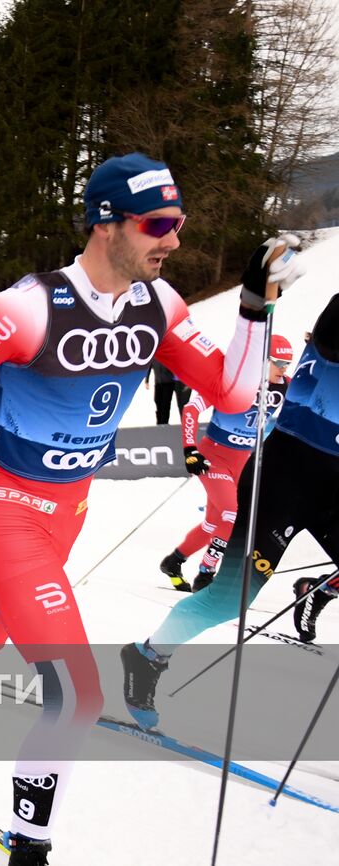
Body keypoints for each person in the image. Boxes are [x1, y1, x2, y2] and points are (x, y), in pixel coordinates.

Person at [0, 153, 290, 865]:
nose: (173, 239)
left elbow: (232, 392)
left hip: (68, 511)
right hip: (6, 506)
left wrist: (255, 308)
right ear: (106, 224)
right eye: (158, 224)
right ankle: (31, 846)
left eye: (179, 222)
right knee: (75, 694)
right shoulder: (26, 309)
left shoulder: (158, 305)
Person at [127, 286, 339, 734]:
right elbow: (330, 340)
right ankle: (147, 655)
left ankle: (315, 591)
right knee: (229, 600)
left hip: (334, 486)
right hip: (284, 475)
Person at [159, 335, 292, 592]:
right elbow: (191, 409)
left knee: (213, 522)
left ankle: (174, 561)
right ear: (263, 361)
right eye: (279, 362)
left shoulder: (286, 385)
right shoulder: (235, 382)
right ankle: (206, 574)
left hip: (244, 459)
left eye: (287, 363)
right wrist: (190, 450)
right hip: (214, 457)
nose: (284, 368)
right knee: (233, 514)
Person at [149, 359, 191, 424]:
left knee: (184, 404)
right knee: (178, 404)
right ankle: (183, 423)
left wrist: (189, 382)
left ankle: (186, 423)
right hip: (175, 381)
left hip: (184, 382)